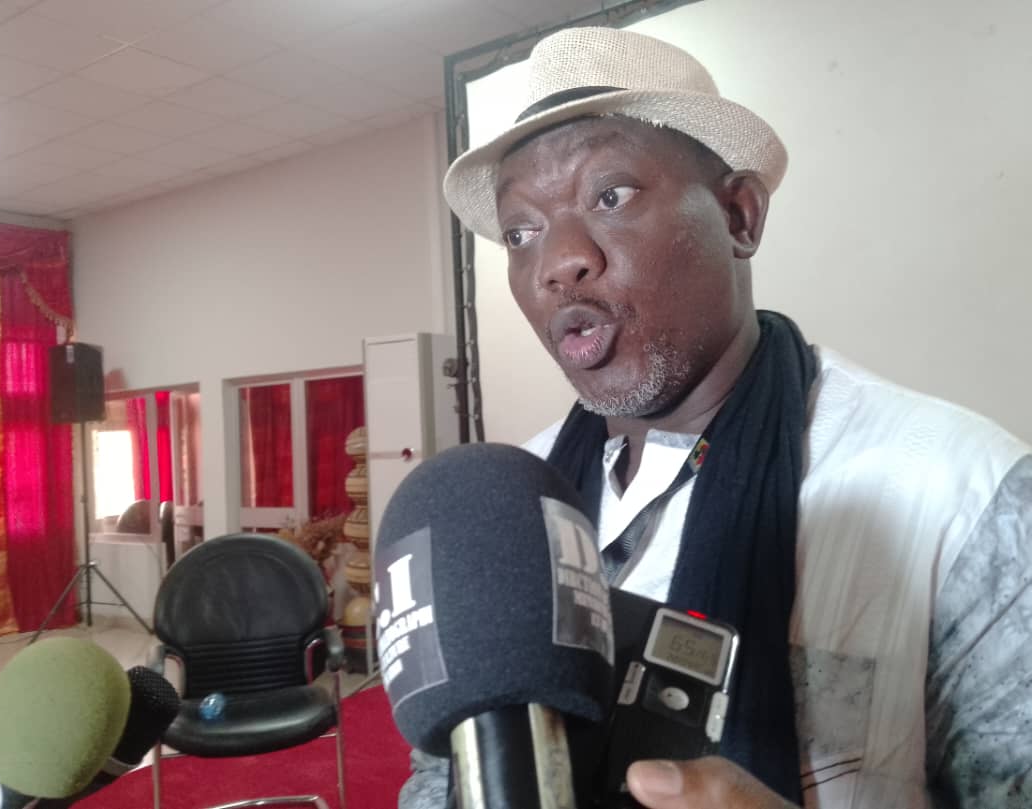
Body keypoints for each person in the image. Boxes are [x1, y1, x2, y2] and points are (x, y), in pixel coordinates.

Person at [401, 25, 1032, 809]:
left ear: (739, 216)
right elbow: (440, 777)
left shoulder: (959, 493)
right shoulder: (507, 508)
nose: (560, 261)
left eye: (611, 195)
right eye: (521, 233)